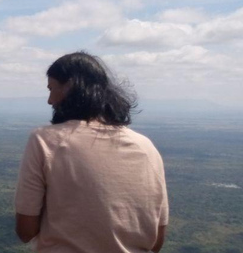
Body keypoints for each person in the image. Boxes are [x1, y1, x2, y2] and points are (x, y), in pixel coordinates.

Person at [14, 51, 169, 252]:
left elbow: (25, 231)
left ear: (70, 86)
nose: (50, 100)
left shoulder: (45, 141)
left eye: (52, 89)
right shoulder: (146, 147)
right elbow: (157, 240)